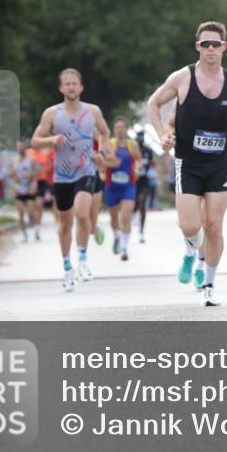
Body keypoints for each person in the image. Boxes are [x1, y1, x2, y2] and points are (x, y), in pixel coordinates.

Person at [148, 20, 227, 307]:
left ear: (224, 47)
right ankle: (190, 250)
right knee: (190, 226)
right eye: (205, 44)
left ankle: (209, 282)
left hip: (219, 163)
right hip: (188, 162)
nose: (210, 49)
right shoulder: (182, 78)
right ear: (198, 47)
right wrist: (162, 135)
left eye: (216, 44)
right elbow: (153, 104)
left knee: (213, 226)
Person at [31, 68, 110, 292]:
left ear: (81, 87)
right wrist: (52, 139)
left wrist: (102, 154)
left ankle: (83, 260)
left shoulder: (92, 111)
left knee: (82, 214)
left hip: (86, 170)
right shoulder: (52, 114)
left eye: (74, 83)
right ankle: (67, 267)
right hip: (62, 176)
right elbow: (35, 140)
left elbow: (105, 132)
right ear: (61, 88)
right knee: (65, 223)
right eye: (67, 84)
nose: (71, 87)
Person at [104, 116, 141, 261]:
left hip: (128, 185)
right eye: (117, 127)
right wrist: (109, 164)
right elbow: (103, 161)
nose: (119, 130)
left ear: (126, 129)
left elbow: (138, 159)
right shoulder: (109, 144)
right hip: (111, 186)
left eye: (122, 127)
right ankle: (117, 236)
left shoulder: (133, 145)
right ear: (114, 129)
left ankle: (124, 248)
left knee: (126, 217)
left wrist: (137, 168)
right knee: (114, 219)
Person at [11, 139, 40, 242]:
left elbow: (38, 172)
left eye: (22, 147)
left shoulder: (31, 160)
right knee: (20, 213)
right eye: (18, 147)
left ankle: (37, 231)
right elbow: (9, 175)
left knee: (31, 212)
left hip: (29, 188)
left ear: (25, 148)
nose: (20, 148)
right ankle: (24, 235)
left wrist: (31, 176)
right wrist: (13, 175)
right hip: (19, 189)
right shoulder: (13, 160)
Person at [27, 141, 52, 241]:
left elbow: (50, 166)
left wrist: (43, 171)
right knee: (30, 207)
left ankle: (37, 228)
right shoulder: (28, 153)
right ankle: (31, 218)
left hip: (41, 181)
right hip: (30, 182)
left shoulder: (45, 153)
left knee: (39, 205)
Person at [134, 129, 155, 243]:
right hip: (133, 180)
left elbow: (152, 163)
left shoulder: (148, 151)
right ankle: (132, 217)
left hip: (144, 180)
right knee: (135, 204)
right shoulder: (132, 149)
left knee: (142, 203)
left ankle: (141, 231)